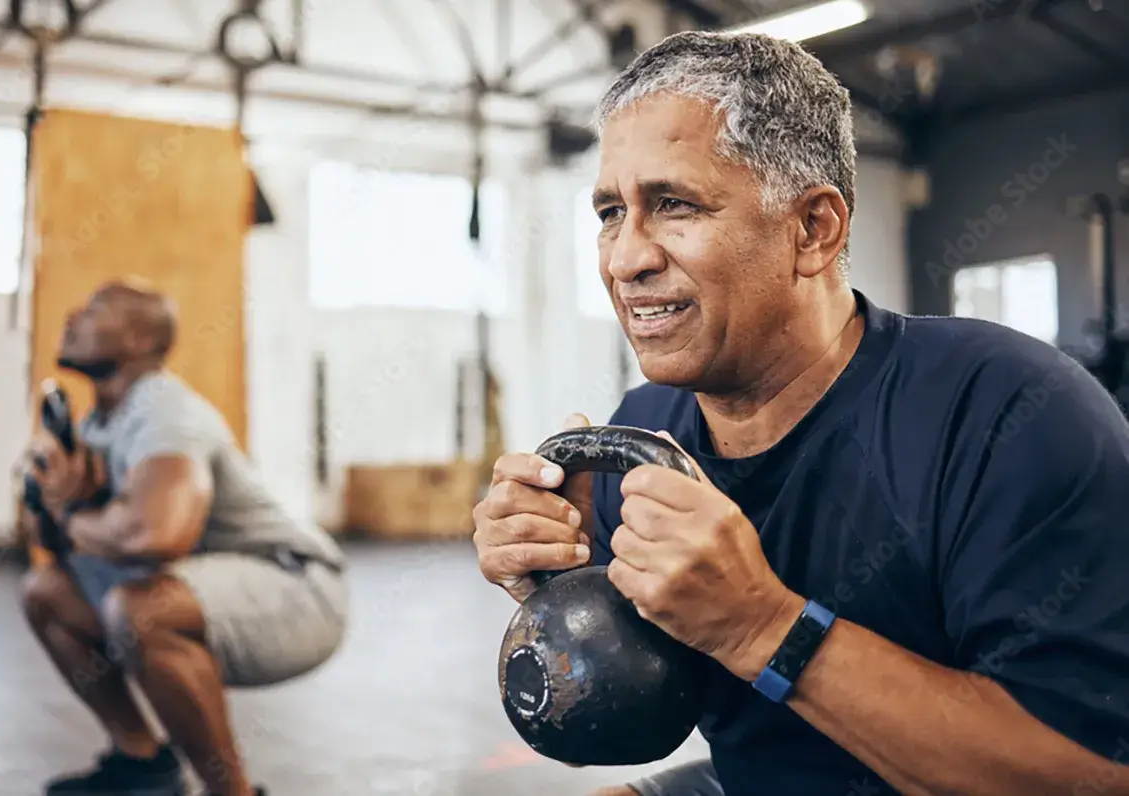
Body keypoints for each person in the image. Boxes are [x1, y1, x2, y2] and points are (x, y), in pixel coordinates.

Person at [472, 30, 1129, 796]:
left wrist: (761, 626)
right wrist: (564, 592)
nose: (625, 259)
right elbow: (614, 727)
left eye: (674, 205)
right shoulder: (643, 440)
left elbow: (1092, 776)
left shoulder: (1010, 415)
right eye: (611, 212)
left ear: (813, 229)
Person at [22, 280, 348, 796]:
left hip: (299, 590)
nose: (72, 316)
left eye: (94, 309)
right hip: (210, 585)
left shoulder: (164, 412)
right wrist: (45, 495)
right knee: (47, 592)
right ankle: (144, 768)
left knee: (142, 609)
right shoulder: (97, 425)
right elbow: (54, 545)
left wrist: (66, 512)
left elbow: (156, 535)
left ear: (138, 338)